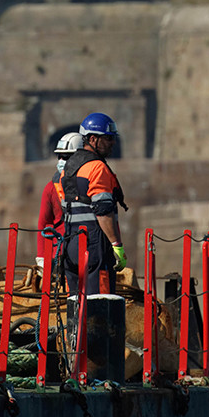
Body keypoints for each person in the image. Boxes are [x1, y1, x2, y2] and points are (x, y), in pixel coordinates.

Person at [57, 112, 127, 297]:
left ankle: (76, 328)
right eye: (108, 138)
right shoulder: (97, 168)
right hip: (94, 245)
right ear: (93, 139)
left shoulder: (69, 168)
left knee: (75, 304)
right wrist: (116, 244)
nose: (113, 143)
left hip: (71, 244)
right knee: (100, 303)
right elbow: (103, 212)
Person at [36, 131, 81, 273]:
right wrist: (42, 257)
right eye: (59, 157)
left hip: (85, 251)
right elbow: (43, 223)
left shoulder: (90, 185)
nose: (61, 161)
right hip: (59, 253)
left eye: (66, 157)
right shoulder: (50, 188)